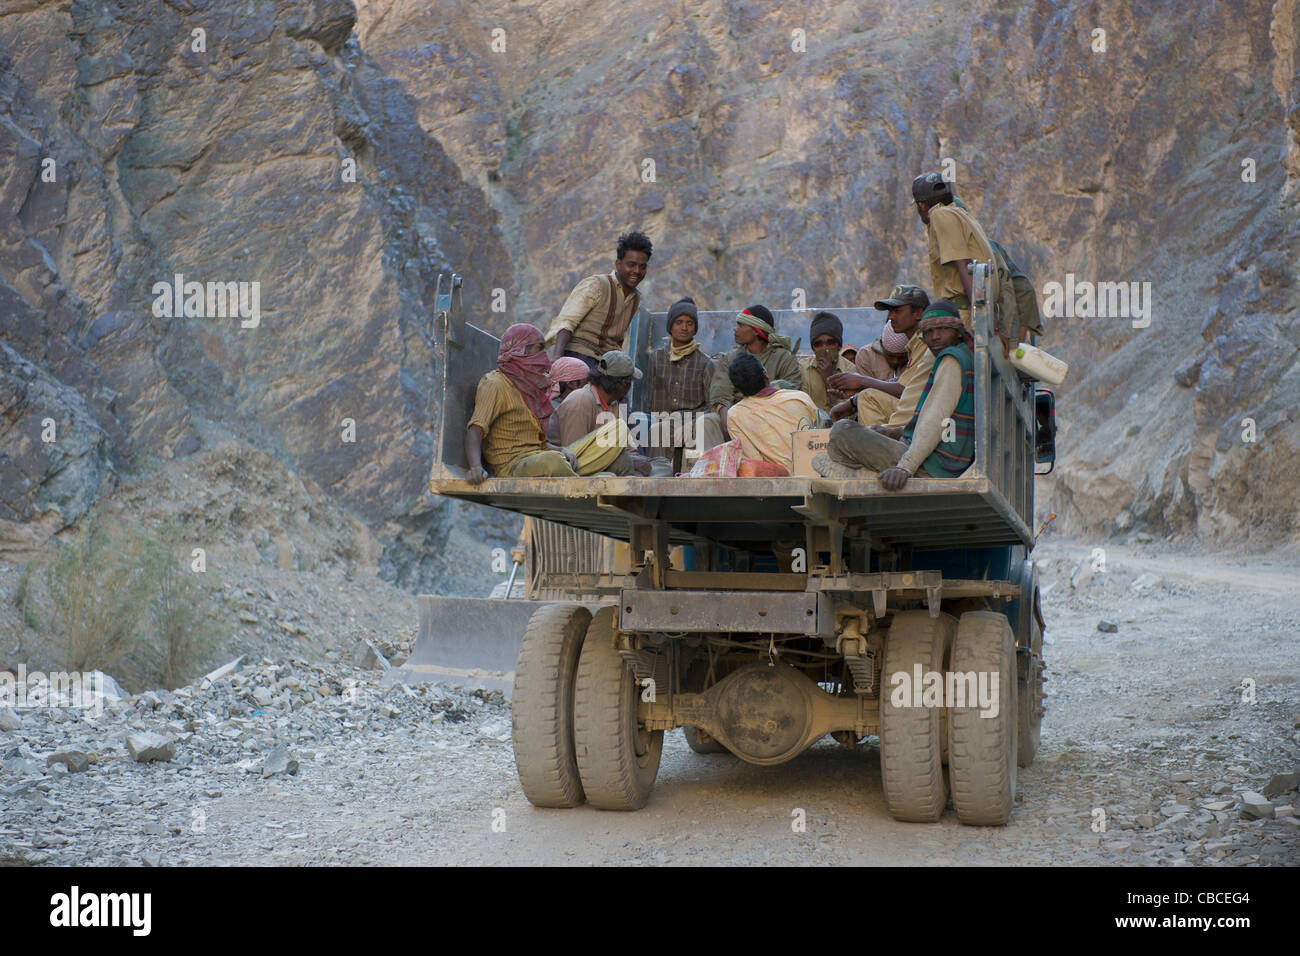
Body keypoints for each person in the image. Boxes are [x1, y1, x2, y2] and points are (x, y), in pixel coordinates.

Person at [813, 301, 975, 490]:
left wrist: (905, 468)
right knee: (864, 432)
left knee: (842, 431)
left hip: (932, 465)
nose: (935, 337)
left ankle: (867, 475)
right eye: (929, 332)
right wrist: (895, 432)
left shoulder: (951, 360)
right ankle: (869, 469)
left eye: (943, 329)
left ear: (957, 331)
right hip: (938, 458)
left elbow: (935, 418)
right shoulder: (961, 356)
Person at [465, 327, 635, 481]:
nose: (544, 357)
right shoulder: (495, 383)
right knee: (553, 461)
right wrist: (475, 467)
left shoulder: (529, 388)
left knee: (618, 430)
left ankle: (579, 476)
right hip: (513, 465)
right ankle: (583, 481)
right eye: (539, 349)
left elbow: (536, 441)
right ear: (519, 351)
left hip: (541, 454)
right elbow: (476, 430)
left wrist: (560, 450)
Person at [910, 172, 1008, 353]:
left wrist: (982, 318)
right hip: (976, 309)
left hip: (961, 315)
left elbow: (964, 264)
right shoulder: (962, 214)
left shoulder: (940, 215)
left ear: (922, 205)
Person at [697, 305, 802, 450]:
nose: (735, 329)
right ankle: (715, 470)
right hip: (734, 419)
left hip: (771, 421)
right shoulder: (731, 358)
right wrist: (733, 423)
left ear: (756, 330)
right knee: (707, 421)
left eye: (740, 325)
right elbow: (720, 395)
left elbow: (792, 392)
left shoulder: (783, 358)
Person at [829, 284, 933, 429]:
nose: (891, 317)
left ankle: (878, 448)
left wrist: (861, 381)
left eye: (897, 311)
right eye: (890, 311)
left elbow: (905, 390)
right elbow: (907, 383)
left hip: (926, 413)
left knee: (868, 398)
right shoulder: (915, 343)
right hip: (918, 410)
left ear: (917, 313)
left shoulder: (926, 341)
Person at [547, 231, 652, 365]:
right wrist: (558, 359)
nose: (637, 271)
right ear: (618, 264)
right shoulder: (596, 284)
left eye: (642, 267)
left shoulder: (635, 299)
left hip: (606, 365)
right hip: (579, 357)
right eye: (631, 265)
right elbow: (567, 322)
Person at [554, 351, 656, 476]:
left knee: (661, 465)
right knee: (623, 463)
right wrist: (630, 460)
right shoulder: (580, 400)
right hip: (576, 468)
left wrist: (637, 460)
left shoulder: (614, 403)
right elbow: (573, 454)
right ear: (624, 385)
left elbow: (630, 449)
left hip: (606, 462)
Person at [646, 296, 716, 471]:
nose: (684, 328)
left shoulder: (705, 363)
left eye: (690, 323)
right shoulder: (657, 358)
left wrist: (690, 425)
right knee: (657, 431)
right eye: (679, 322)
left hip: (694, 423)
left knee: (694, 441)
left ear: (695, 328)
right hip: (665, 420)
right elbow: (652, 398)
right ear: (670, 326)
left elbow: (712, 405)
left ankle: (691, 486)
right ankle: (657, 486)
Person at [725, 353, 819, 474]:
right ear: (765, 375)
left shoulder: (735, 414)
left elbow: (754, 461)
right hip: (815, 473)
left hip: (780, 483)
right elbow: (821, 434)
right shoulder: (800, 398)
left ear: (738, 389)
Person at [798, 311, 857, 414]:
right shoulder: (803, 369)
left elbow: (849, 416)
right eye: (818, 344)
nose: (825, 348)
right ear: (813, 348)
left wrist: (828, 380)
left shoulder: (850, 371)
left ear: (839, 346)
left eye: (830, 342)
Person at [545, 356, 590, 442]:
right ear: (571, 384)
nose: (588, 388)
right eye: (585, 383)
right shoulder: (569, 409)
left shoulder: (546, 403)